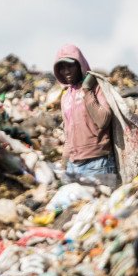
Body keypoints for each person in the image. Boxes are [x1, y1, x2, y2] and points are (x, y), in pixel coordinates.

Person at [53, 44, 116, 179]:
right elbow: (68, 134)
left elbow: (103, 120)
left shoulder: (97, 88)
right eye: (62, 68)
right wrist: (64, 164)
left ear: (80, 65)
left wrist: (87, 90)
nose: (66, 71)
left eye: (70, 66)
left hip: (99, 164)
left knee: (103, 194)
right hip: (73, 166)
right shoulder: (66, 97)